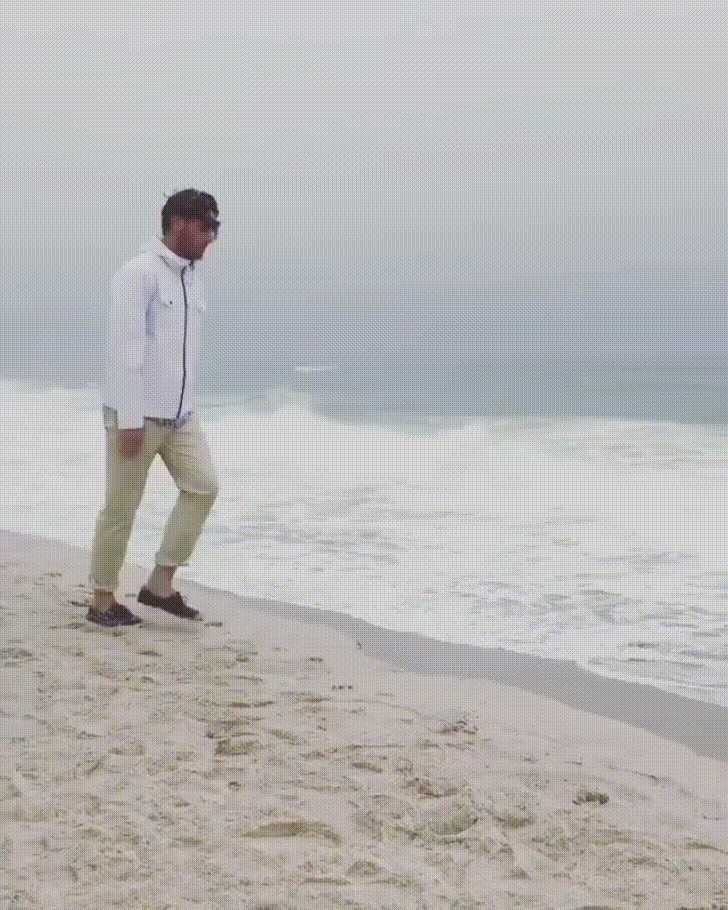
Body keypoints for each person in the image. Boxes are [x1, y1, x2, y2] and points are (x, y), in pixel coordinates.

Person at [87, 189, 221, 627]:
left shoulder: (192, 278)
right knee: (121, 509)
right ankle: (102, 600)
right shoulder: (137, 273)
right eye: (206, 226)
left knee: (203, 487)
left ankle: (159, 585)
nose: (212, 237)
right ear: (179, 222)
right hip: (137, 418)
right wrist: (129, 420)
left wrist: (189, 406)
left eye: (215, 228)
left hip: (181, 418)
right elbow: (124, 352)